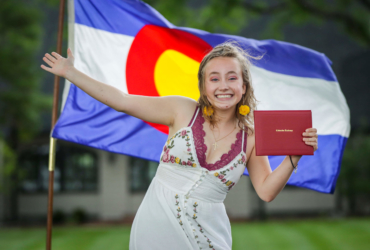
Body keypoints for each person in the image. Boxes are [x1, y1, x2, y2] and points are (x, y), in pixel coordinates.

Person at [41, 42, 318, 250]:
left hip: (210, 236)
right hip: (155, 228)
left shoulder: (253, 137)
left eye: (232, 77)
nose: (224, 86)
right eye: (214, 78)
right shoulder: (181, 110)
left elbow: (266, 191)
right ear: (203, 86)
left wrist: (293, 158)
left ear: (244, 86)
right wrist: (70, 72)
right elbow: (122, 100)